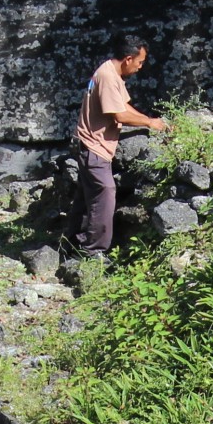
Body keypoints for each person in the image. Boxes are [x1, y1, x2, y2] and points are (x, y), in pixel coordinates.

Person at [70, 34, 169, 258]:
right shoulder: (106, 76)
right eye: (140, 62)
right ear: (127, 59)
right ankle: (93, 251)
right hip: (94, 147)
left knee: (85, 199)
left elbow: (124, 105)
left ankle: (71, 243)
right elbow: (118, 114)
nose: (140, 67)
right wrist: (148, 122)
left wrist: (151, 121)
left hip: (91, 146)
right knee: (105, 192)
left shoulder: (111, 73)